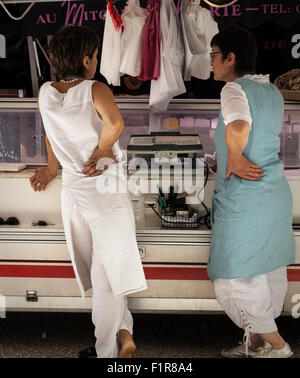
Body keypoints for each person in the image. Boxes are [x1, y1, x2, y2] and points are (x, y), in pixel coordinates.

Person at [29, 25, 147, 358]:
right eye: (95, 55)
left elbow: (51, 136)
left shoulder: (46, 93)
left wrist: (52, 170)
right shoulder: (96, 88)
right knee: (109, 271)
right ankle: (108, 350)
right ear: (86, 59)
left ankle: (124, 334)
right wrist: (102, 149)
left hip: (73, 191)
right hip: (105, 186)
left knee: (102, 267)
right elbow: (116, 124)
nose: (96, 61)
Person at [207, 25, 295, 358]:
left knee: (236, 274)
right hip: (272, 192)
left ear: (231, 57)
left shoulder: (233, 89)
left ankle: (278, 346)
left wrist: (235, 157)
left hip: (246, 195)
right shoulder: (271, 90)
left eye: (214, 56)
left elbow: (240, 125)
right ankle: (257, 344)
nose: (211, 63)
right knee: (266, 270)